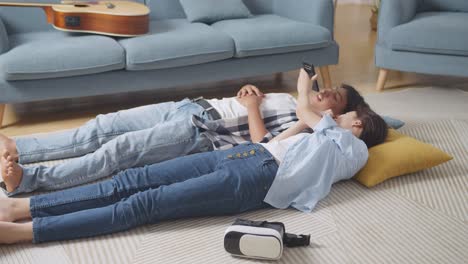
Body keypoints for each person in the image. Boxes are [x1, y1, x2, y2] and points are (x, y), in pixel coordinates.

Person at [0, 69, 388, 244]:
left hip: (255, 180)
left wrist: (305, 86)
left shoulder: (351, 148)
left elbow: (308, 114)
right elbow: (282, 136)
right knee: (131, 180)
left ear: (357, 125)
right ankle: (24, 208)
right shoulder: (323, 137)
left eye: (344, 111)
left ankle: (23, 233)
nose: (335, 113)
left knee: (141, 205)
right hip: (251, 154)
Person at [0, 76, 366, 196]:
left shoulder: (308, 128)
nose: (327, 92)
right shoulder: (290, 97)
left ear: (336, 112)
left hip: (201, 132)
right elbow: (249, 102)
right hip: (193, 106)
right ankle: (20, 147)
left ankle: (27, 180)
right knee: (102, 126)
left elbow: (262, 146)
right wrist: (249, 94)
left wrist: (254, 109)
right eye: (329, 88)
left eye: (335, 96)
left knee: (117, 152)